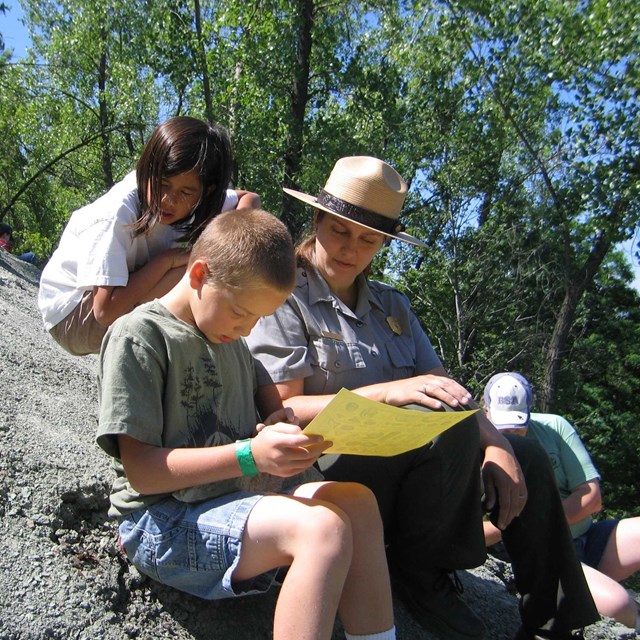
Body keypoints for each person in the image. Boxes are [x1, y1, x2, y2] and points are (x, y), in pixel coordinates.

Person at [245, 156, 600, 640]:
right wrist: (390, 392)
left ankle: (556, 622)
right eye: (340, 231)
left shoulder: (393, 305)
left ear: (384, 243)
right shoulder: (285, 294)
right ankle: (421, 574)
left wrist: (497, 444)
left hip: (413, 472)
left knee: (530, 456)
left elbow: (445, 388)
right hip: (327, 469)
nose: (351, 248)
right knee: (444, 428)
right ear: (317, 221)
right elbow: (284, 409)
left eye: (368, 239)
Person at [96, 208, 397, 640]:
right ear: (199, 274)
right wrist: (250, 456)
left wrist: (281, 424)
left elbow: (271, 406)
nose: (247, 328)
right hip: (161, 521)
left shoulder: (233, 342)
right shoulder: (141, 337)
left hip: (232, 497)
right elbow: (143, 474)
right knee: (322, 530)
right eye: (241, 312)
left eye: (259, 318)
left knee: (358, 503)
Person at [38, 115, 261, 356]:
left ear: (207, 192)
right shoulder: (117, 213)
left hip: (108, 302)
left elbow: (248, 198)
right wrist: (166, 261)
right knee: (193, 274)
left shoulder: (193, 196)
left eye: (186, 192)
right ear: (148, 170)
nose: (168, 200)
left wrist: (228, 240)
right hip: (73, 317)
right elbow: (104, 311)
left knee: (206, 265)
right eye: (162, 184)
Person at [483, 372, 640, 632]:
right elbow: (474, 531)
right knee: (620, 605)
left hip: (587, 538)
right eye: (503, 428)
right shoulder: (475, 447)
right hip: (548, 558)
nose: (511, 434)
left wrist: (539, 518)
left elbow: (591, 497)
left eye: (517, 426)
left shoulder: (554, 428)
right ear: (486, 413)